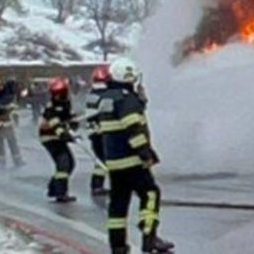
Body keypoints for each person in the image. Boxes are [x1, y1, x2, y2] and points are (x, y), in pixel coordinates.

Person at [92, 57, 172, 253]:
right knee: (151, 193)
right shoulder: (127, 99)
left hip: (114, 162)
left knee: (118, 204)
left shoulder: (107, 99)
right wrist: (145, 153)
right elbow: (133, 128)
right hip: (131, 161)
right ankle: (149, 236)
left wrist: (140, 102)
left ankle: (118, 246)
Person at [37, 78, 79, 203]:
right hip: (49, 137)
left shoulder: (66, 103)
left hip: (58, 137)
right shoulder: (51, 107)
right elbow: (55, 124)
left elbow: (70, 116)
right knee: (64, 164)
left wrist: (74, 123)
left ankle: (53, 188)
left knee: (70, 164)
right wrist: (63, 134)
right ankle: (61, 193)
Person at [84, 65, 111, 198]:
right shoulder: (106, 95)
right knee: (105, 159)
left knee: (101, 159)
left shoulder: (92, 94)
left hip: (94, 132)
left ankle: (97, 185)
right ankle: (97, 186)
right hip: (102, 132)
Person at [0, 77, 24, 168]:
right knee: (0, 144)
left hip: (5, 122)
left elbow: (7, 104)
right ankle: (2, 162)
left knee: (11, 142)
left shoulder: (6, 96)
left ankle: (17, 161)